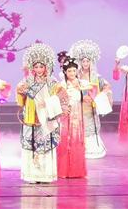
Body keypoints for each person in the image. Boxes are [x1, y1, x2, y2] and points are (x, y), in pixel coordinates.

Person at [16, 43, 65, 183]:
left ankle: (45, 175)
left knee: (45, 145)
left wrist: (48, 102)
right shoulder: (27, 81)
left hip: (46, 118)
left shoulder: (52, 82)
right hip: (31, 118)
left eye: (41, 67)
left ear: (46, 67)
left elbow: (62, 96)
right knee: (31, 145)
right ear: (32, 68)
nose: (38, 70)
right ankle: (31, 175)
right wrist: (21, 92)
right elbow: (21, 101)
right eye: (36, 67)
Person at [70, 40, 112, 159]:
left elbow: (107, 86)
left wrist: (99, 96)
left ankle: (92, 148)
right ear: (80, 62)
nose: (85, 63)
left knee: (91, 126)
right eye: (83, 61)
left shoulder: (95, 76)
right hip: (79, 105)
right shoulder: (76, 76)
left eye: (87, 61)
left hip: (91, 106)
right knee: (79, 126)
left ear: (91, 62)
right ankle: (79, 148)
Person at [57, 58, 87, 178]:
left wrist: (82, 90)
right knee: (65, 139)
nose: (72, 73)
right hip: (66, 115)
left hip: (77, 114)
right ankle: (64, 170)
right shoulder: (62, 84)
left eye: (74, 71)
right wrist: (63, 107)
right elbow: (57, 99)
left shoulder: (81, 83)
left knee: (76, 139)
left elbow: (91, 91)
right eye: (69, 71)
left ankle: (76, 170)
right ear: (65, 72)